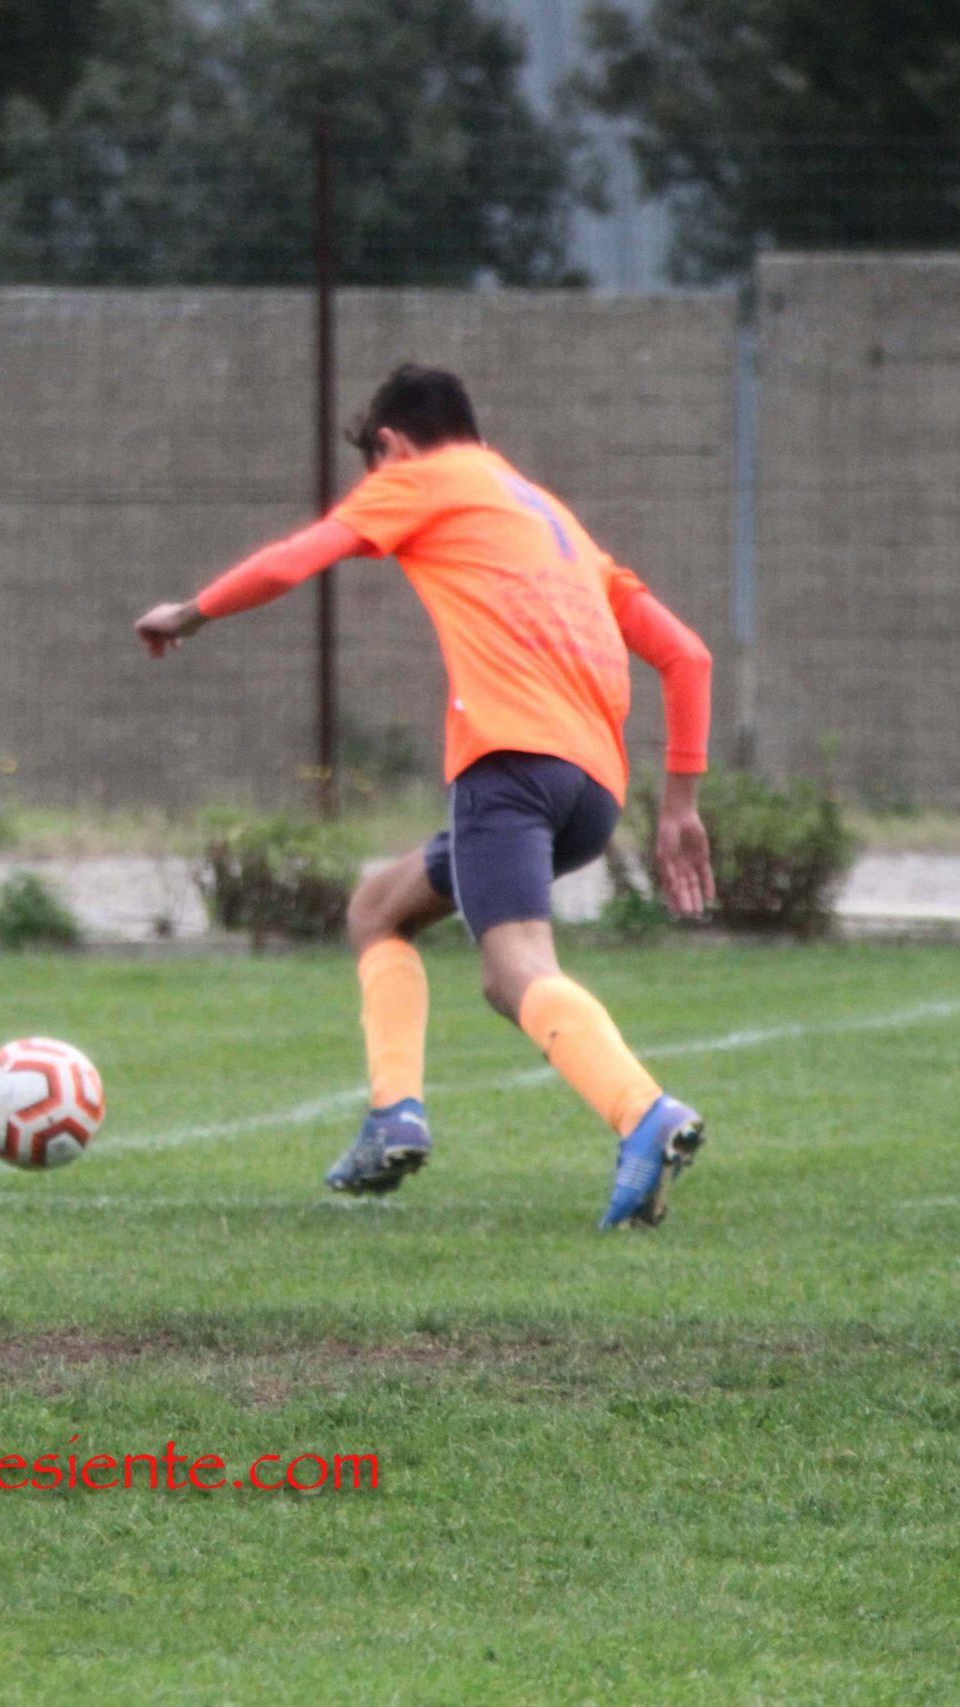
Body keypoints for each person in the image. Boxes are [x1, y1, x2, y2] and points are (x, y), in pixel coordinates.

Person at [133, 364, 718, 1229]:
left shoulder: (419, 478)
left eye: (375, 467)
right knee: (379, 908)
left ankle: (644, 1112)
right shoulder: (551, 516)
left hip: (509, 767)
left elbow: (295, 559)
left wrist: (190, 612)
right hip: (592, 790)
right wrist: (680, 805)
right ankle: (393, 1116)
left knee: (516, 969)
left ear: (391, 445)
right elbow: (687, 654)